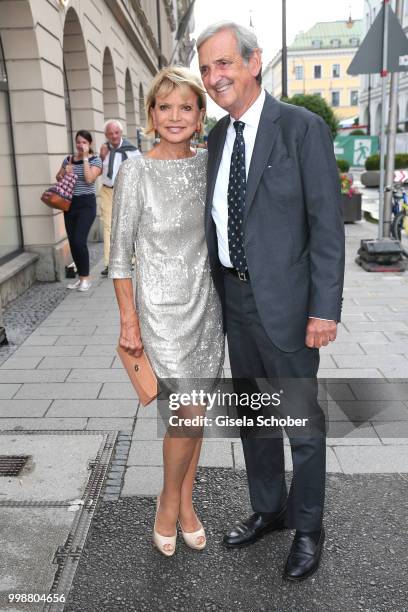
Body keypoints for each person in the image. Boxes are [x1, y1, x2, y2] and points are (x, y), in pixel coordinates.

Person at [197, 22, 345, 581]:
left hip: (287, 306)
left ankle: (308, 527)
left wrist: (324, 309)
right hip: (234, 301)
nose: (215, 78)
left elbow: (327, 227)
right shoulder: (216, 138)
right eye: (207, 69)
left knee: (302, 428)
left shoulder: (301, 129)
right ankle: (269, 510)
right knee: (255, 421)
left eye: (224, 64)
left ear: (254, 62)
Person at [108, 67, 224, 557]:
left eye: (186, 107)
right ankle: (167, 503)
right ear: (151, 115)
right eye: (165, 107)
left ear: (200, 117)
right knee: (184, 413)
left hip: (207, 307)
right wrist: (128, 321)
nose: (175, 116)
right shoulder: (135, 170)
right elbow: (119, 255)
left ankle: (187, 501)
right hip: (160, 311)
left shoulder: (208, 166)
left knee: (195, 414)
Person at [56, 130, 102, 292]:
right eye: (78, 142)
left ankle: (86, 279)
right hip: (69, 204)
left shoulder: (95, 160)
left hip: (86, 204)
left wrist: (84, 158)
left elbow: (89, 179)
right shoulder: (68, 159)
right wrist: (64, 172)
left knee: (79, 241)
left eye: (84, 142)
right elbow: (58, 178)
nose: (80, 145)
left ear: (90, 144)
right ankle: (80, 278)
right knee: (73, 243)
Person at [99, 120, 140, 277]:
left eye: (116, 132)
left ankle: (130, 259)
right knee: (109, 226)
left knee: (127, 225)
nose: (114, 136)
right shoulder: (104, 151)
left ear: (121, 133)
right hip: (108, 191)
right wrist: (100, 157)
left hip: (126, 192)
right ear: (106, 135)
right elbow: (97, 170)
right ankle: (110, 263)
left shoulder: (132, 151)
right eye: (110, 133)